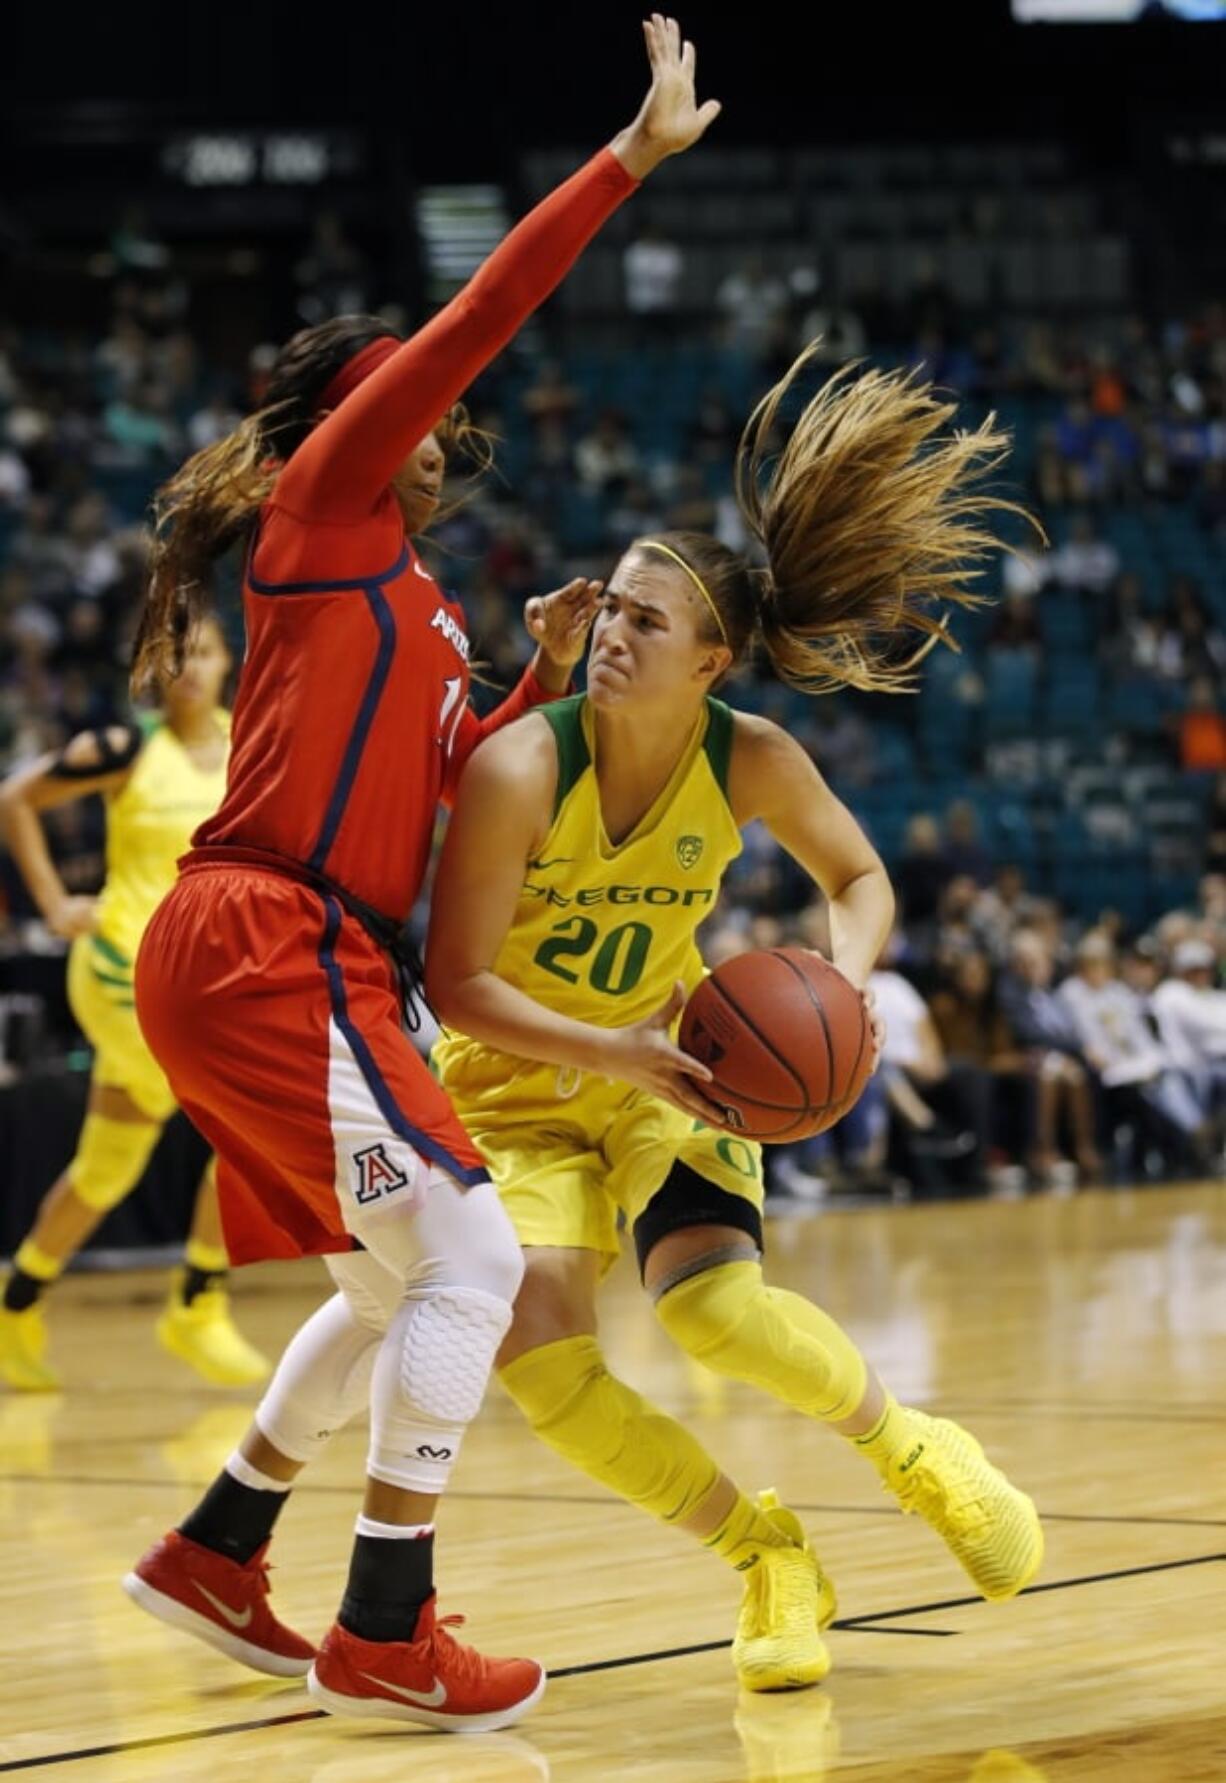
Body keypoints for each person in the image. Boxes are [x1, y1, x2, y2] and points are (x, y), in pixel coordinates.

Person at [118, 17, 721, 1735]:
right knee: (473, 1270)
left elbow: (443, 790)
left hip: (288, 942)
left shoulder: (418, 599)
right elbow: (475, 315)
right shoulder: (320, 502)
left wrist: (523, 686)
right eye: (416, 394)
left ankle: (220, 1548)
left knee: (399, 1283)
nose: (444, 413)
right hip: (268, 935)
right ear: (355, 414)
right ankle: (389, 1623)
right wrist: (627, 161)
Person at [425, 345, 1044, 1695]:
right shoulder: (518, 762)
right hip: (512, 1074)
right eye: (610, 613)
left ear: (711, 656)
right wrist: (610, 1051)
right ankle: (765, 1551)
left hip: (669, 1061)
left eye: (648, 621)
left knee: (712, 1312)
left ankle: (919, 1454)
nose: (612, 634)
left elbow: (859, 876)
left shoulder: (750, 755)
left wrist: (853, 981)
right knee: (538, 1358)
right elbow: (460, 980)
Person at [0, 617, 268, 1392]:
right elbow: (16, 799)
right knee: (245, 1127)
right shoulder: (125, 748)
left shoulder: (250, 743)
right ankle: (198, 1302)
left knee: (108, 1166)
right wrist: (54, 903)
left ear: (228, 663)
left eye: (205, 651)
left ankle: (18, 1300)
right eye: (176, 654)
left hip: (202, 982)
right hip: (122, 973)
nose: (190, 666)